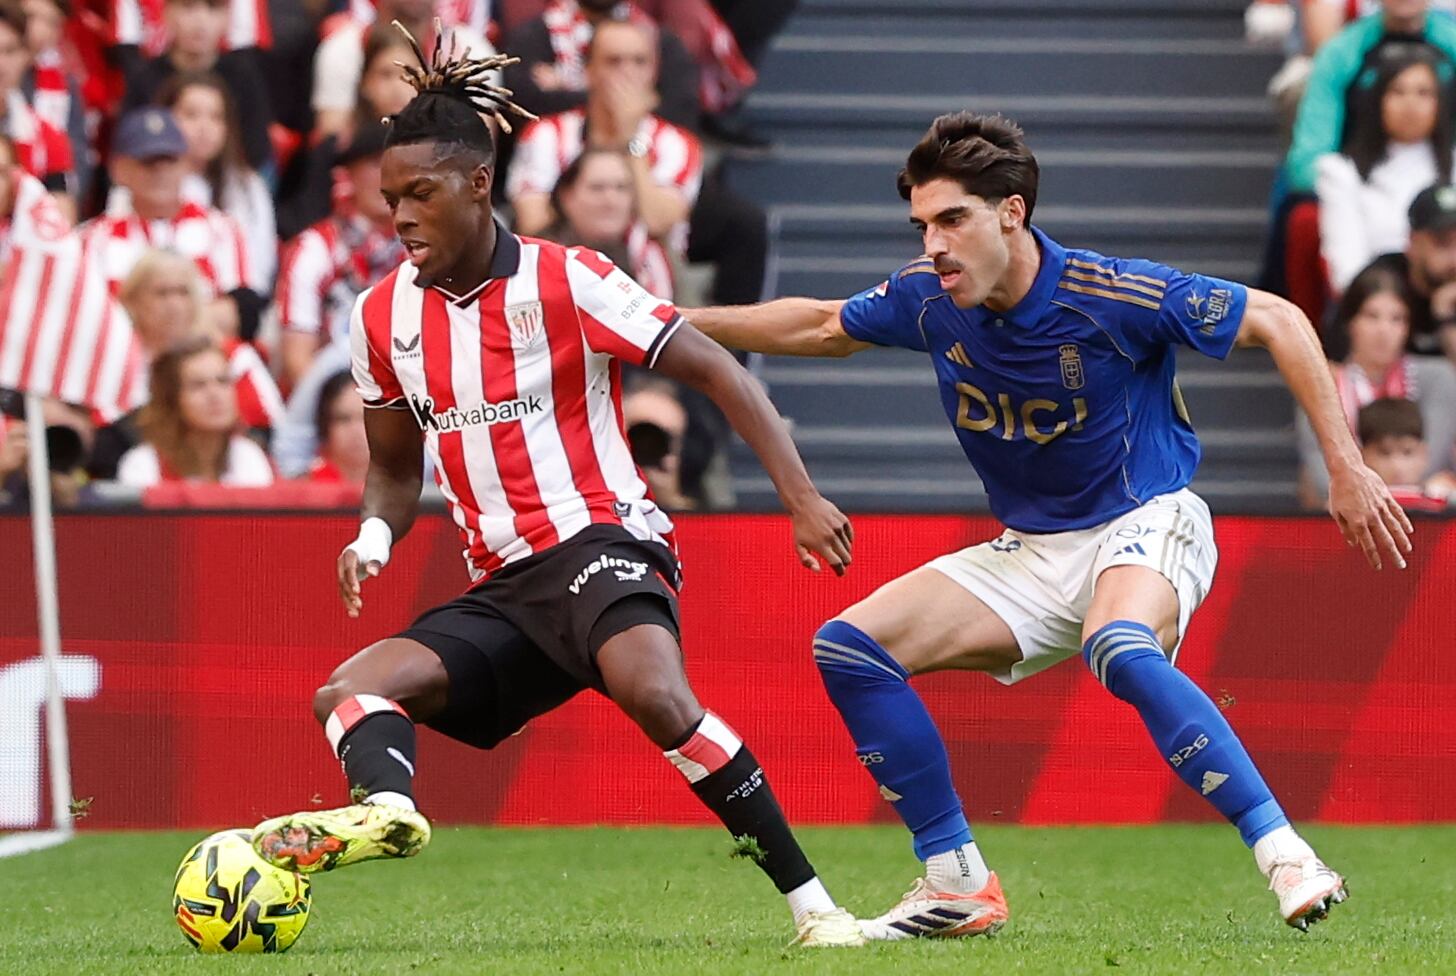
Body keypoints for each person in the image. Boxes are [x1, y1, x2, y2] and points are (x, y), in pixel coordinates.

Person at [683, 111, 1413, 939]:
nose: (934, 246)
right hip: (1032, 550)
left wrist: (1347, 466)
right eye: (922, 226)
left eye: (952, 219)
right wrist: (667, 325)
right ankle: (956, 884)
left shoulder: (1112, 293)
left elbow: (1278, 318)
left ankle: (1287, 855)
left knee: (1119, 645)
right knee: (850, 649)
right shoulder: (927, 300)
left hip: (1147, 517)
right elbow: (819, 324)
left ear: (1012, 213)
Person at [246, 29, 863, 949]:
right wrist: (373, 536)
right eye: (390, 198)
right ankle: (389, 811)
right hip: (506, 585)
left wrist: (800, 498)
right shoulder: (380, 317)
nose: (401, 217)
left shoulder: (570, 279)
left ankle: (817, 910)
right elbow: (393, 469)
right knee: (347, 691)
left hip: (600, 539)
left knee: (655, 695)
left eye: (420, 194)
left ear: (479, 183)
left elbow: (718, 371)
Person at [87, 107, 265, 342]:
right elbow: (90, 321)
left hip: (203, 356)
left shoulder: (223, 230)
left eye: (170, 160)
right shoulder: (90, 240)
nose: (160, 171)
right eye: (148, 162)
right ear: (119, 169)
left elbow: (242, 314)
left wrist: (145, 320)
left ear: (187, 165)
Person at [1297, 262, 1456, 504]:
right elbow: (1320, 472)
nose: (1384, 330)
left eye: (1397, 319)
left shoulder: (1437, 377)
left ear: (1408, 327)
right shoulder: (1322, 385)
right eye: (1372, 316)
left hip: (1424, 514)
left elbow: (1433, 458)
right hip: (1344, 514)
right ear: (1350, 322)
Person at [1317, 42, 1455, 292]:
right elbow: (1346, 272)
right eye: (1398, 91)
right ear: (1377, 100)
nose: (1410, 103)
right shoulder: (1341, 172)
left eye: (1423, 93)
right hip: (1376, 303)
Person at [276, 120, 403, 390]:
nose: (388, 177)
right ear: (348, 174)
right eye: (375, 164)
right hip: (332, 400)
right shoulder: (314, 249)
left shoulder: (431, 251)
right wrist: (351, 408)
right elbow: (297, 360)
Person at [117, 0, 274, 172]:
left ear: (227, 17)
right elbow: (126, 148)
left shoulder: (243, 77)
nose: (200, 21)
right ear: (167, 14)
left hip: (229, 179)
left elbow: (258, 151)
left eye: (212, 8)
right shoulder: (145, 78)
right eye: (188, 7)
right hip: (159, 179)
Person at [157, 70, 277, 290]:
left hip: (232, 298)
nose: (204, 127)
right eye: (191, 115)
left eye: (216, 117)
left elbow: (261, 266)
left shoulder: (248, 186)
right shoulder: (143, 182)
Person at [501, 0, 699, 130]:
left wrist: (567, 91)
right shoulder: (531, 37)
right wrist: (644, 101)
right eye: (613, 61)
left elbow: (680, 112)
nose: (625, 69)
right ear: (589, 67)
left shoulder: (659, 41)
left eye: (638, 61)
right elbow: (522, 108)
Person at [311, 0, 494, 138]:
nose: (399, 86)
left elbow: (478, 151)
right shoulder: (342, 50)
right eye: (386, 75)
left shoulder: (472, 50)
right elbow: (333, 148)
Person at [115, 334, 274, 487]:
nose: (215, 395)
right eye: (198, 385)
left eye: (223, 381)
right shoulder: (143, 466)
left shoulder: (249, 457)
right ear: (171, 400)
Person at [540, 145, 674, 298]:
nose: (611, 201)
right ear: (565, 196)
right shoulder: (536, 258)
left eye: (621, 188)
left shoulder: (654, 259)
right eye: (597, 188)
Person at [1363, 182, 1456, 359]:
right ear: (1413, 242)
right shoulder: (1382, 283)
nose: (1454, 259)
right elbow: (1342, 365)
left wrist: (1446, 319)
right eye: (1443, 243)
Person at [0, 1, 73, 202]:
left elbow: (62, 209)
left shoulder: (47, 136)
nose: (1, 64)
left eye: (10, 51)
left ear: (27, 56)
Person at [1356, 395, 1456, 507]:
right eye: (1385, 453)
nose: (1397, 465)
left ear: (1424, 453)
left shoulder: (1443, 496)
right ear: (1361, 455)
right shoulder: (1350, 502)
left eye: (1407, 452)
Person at [305, 371, 369, 484]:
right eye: (343, 419)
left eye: (367, 419)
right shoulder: (306, 486)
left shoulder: (401, 486)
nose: (356, 431)